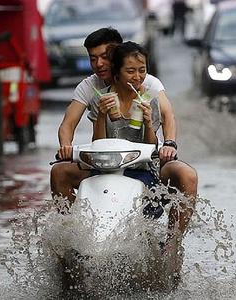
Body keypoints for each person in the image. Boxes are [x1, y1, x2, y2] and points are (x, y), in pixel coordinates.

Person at [49, 27, 198, 244]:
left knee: (187, 176)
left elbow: (168, 117)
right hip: (106, 162)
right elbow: (69, 126)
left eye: (105, 57)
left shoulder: (146, 87)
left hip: (145, 163)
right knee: (59, 172)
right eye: (93, 59)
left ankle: (172, 244)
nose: (99, 64)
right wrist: (66, 148)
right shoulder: (92, 88)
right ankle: (75, 237)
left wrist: (169, 144)